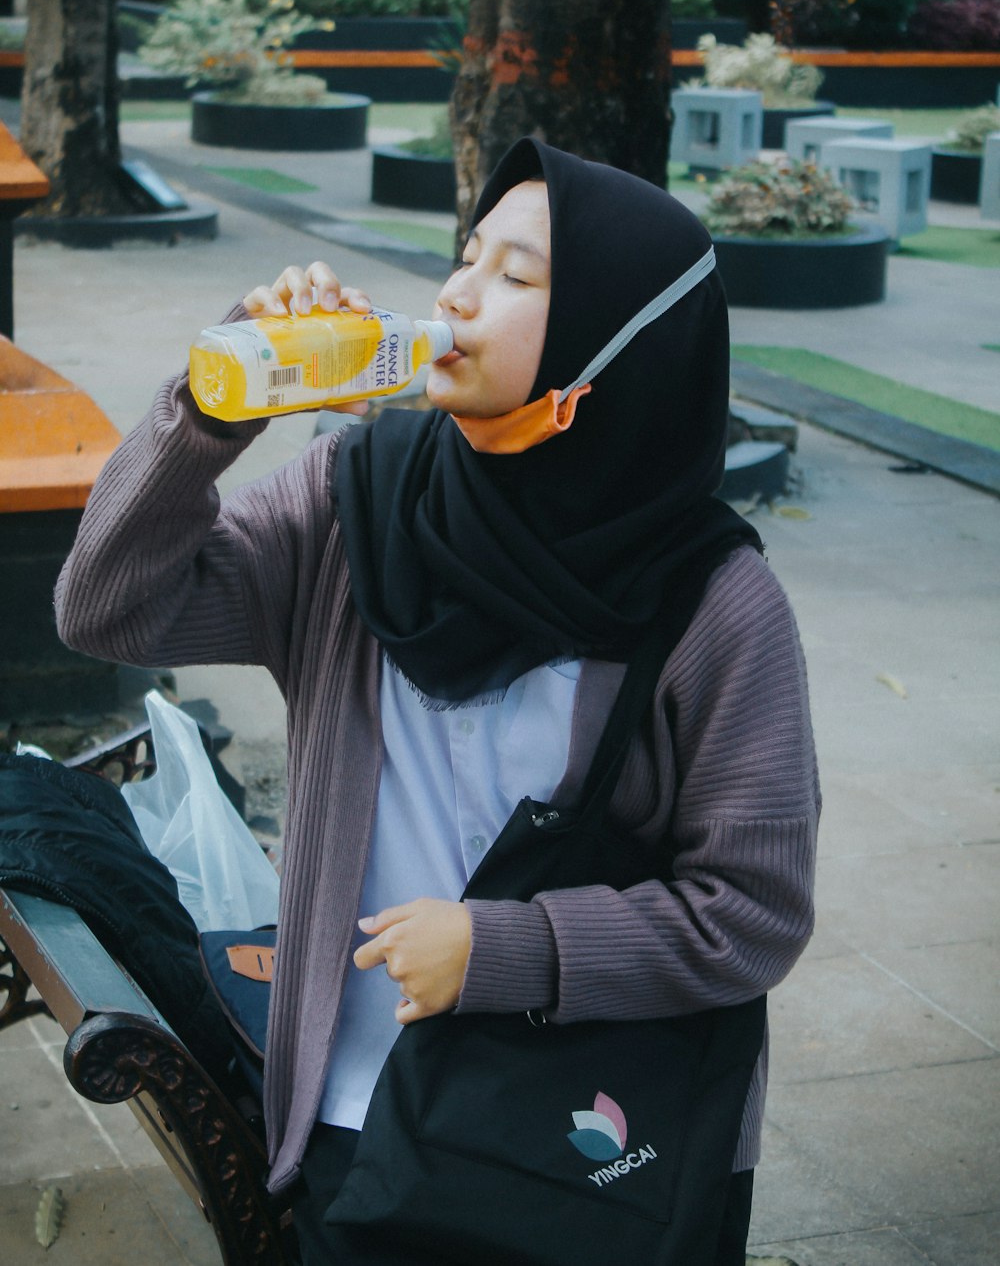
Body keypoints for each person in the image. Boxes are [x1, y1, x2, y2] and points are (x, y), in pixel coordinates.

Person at [55, 139, 820, 1265]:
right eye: (464, 258)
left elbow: (750, 913)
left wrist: (504, 949)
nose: (457, 294)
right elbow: (108, 614)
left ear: (615, 340)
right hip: (351, 1111)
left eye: (515, 276)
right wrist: (209, 415)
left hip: (592, 1145)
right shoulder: (355, 498)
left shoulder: (715, 602)